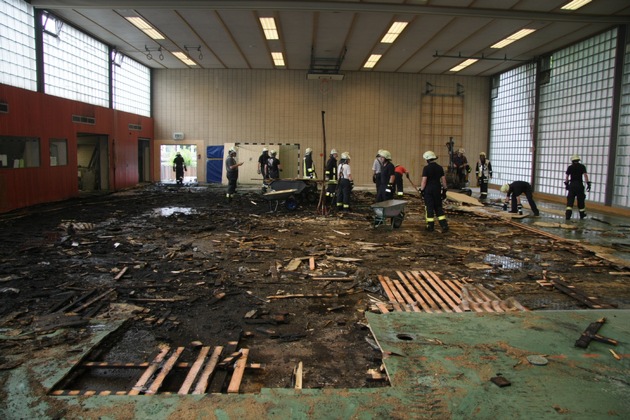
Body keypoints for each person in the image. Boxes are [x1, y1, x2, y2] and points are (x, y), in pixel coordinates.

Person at [419, 151, 449, 233]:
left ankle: (430, 226)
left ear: (427, 160)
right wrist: (445, 190)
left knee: (429, 207)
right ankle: (444, 225)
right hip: (437, 189)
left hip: (428, 190)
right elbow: (443, 180)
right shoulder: (440, 167)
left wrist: (421, 190)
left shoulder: (426, 168)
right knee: (438, 207)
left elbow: (424, 181)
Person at [565, 154, 591, 220]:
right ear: (578, 160)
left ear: (572, 161)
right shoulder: (582, 166)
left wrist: (566, 184)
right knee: (581, 200)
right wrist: (588, 183)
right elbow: (585, 176)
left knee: (570, 200)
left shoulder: (570, 167)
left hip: (572, 185)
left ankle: (568, 215)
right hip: (579, 185)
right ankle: (582, 215)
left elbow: (567, 177)